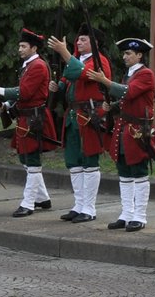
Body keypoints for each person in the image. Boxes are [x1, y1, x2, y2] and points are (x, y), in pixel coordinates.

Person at [87, 38, 155, 231]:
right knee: (124, 173)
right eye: (125, 53)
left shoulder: (146, 74)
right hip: (124, 127)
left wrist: (105, 81)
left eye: (129, 53)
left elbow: (129, 92)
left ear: (139, 55)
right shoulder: (130, 74)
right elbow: (126, 99)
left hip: (137, 129)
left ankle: (140, 216)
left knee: (139, 172)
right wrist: (112, 105)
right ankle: (127, 213)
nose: (125, 56)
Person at [0, 28, 60, 217]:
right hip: (26, 117)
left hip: (34, 119)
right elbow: (23, 94)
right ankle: (42, 198)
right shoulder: (28, 65)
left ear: (34, 48)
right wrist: (6, 104)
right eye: (19, 46)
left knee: (33, 160)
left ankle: (28, 203)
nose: (19, 49)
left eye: (23, 46)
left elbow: (25, 92)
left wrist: (0, 90)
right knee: (25, 159)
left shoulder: (37, 66)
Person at [46, 27, 111, 224]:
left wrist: (64, 52)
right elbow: (68, 78)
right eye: (78, 40)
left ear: (94, 43)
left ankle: (89, 208)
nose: (78, 43)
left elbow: (82, 74)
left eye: (83, 39)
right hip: (74, 115)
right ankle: (79, 205)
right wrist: (59, 86)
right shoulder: (77, 59)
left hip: (90, 115)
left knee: (89, 161)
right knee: (74, 162)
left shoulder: (100, 61)